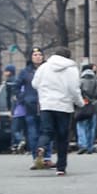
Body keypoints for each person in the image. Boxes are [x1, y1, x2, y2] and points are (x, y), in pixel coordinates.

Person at [32, 46, 84, 176]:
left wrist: (45, 93)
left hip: (46, 105)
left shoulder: (44, 67)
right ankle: (61, 167)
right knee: (62, 137)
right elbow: (74, 89)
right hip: (63, 106)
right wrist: (80, 102)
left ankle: (41, 147)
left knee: (47, 131)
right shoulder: (71, 69)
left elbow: (35, 83)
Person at [16, 48, 47, 167]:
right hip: (31, 106)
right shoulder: (25, 72)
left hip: (45, 104)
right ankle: (36, 158)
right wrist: (23, 98)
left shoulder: (47, 69)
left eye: (40, 54)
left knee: (45, 132)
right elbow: (16, 87)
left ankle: (46, 157)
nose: (38, 57)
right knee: (33, 133)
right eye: (35, 55)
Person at [76, 63, 97, 154]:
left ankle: (83, 144)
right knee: (92, 127)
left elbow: (77, 92)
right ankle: (90, 147)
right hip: (93, 106)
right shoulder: (96, 81)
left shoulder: (80, 81)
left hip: (82, 106)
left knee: (81, 125)